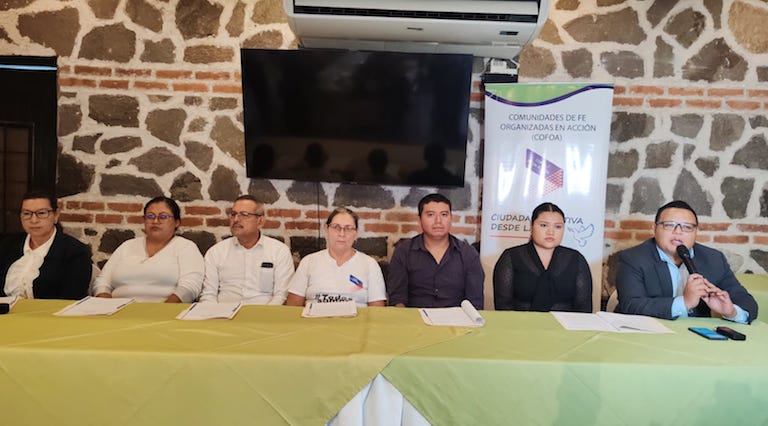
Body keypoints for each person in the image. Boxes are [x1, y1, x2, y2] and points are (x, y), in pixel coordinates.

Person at [616, 200, 758, 323]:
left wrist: (731, 311)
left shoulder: (714, 259)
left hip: (695, 338)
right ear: (655, 228)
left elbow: (745, 301)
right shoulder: (633, 258)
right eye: (669, 225)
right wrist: (684, 302)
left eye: (687, 227)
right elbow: (631, 305)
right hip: (647, 334)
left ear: (696, 232)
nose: (678, 231)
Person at [93, 196, 204, 303]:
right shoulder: (127, 246)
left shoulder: (185, 247)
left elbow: (190, 286)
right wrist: (107, 306)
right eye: (150, 216)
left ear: (176, 222)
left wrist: (163, 310)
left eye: (163, 216)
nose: (155, 221)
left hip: (166, 311)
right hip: (117, 311)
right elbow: (102, 281)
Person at [386, 193, 484, 309]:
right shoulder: (404, 252)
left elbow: (475, 301)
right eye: (431, 215)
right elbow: (397, 298)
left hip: (456, 318)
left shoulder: (468, 254)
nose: (438, 221)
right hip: (415, 317)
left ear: (451, 218)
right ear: (419, 220)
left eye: (444, 214)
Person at [493, 202, 592, 312]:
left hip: (567, 323)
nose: (551, 232)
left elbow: (584, 307)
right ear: (531, 226)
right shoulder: (511, 257)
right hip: (520, 322)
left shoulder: (576, 259)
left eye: (558, 227)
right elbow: (503, 306)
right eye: (544, 225)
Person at [200, 195, 295, 304]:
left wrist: (267, 314)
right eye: (233, 214)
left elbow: (281, 295)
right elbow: (208, 294)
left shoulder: (279, 251)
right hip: (224, 311)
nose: (236, 219)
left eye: (244, 215)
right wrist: (214, 312)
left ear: (260, 221)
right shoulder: (216, 252)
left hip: (264, 311)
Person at [0, 190, 92, 299]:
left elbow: (71, 298)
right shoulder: (7, 245)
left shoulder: (76, 252)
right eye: (27, 214)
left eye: (42, 213)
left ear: (56, 215)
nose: (34, 220)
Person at [286, 207, 386, 307]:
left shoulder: (370, 265)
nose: (342, 234)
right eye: (336, 227)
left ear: (356, 234)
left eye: (348, 228)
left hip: (356, 317)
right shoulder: (308, 262)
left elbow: (377, 310)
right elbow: (293, 306)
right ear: (326, 229)